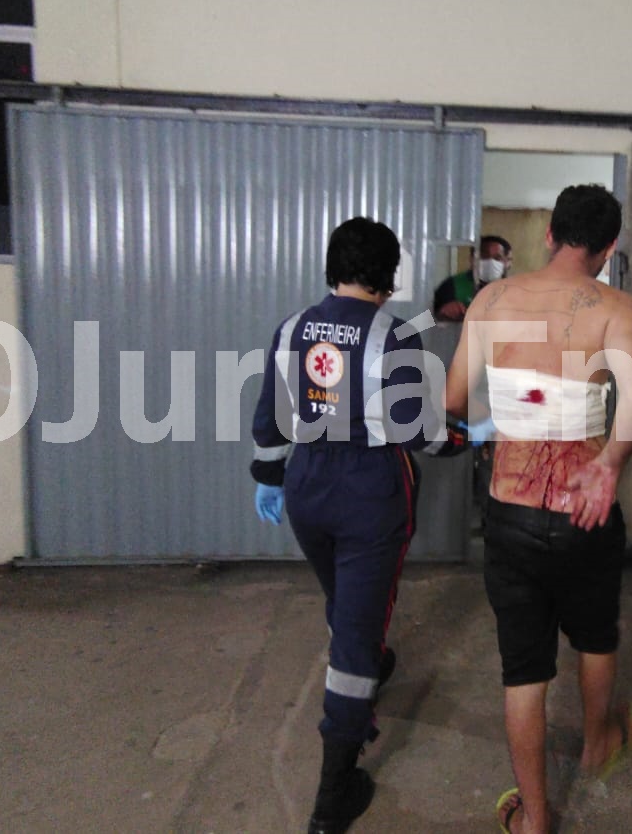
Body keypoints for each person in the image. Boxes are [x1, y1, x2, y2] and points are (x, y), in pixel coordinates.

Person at [444, 185, 632, 834]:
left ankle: (535, 818)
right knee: (595, 635)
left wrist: (503, 415)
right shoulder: (615, 307)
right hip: (584, 512)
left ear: (548, 234)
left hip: (510, 512)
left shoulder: (490, 301)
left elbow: (453, 401)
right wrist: (608, 464)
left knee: (524, 671)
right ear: (609, 247)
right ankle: (599, 741)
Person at [251, 217, 470, 834]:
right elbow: (417, 430)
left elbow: (272, 413)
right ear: (388, 275)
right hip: (368, 491)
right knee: (352, 637)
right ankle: (334, 794)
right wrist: (467, 439)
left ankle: (372, 653)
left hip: (306, 487)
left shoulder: (292, 328)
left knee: (346, 602)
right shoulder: (391, 335)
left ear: (332, 267)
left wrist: (269, 475)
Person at [433, 234, 513, 322]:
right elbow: (421, 323)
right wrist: (440, 313)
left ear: (507, 263)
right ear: (472, 259)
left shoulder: (516, 290)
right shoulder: (452, 285)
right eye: (484, 256)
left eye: (498, 258)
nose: (491, 261)